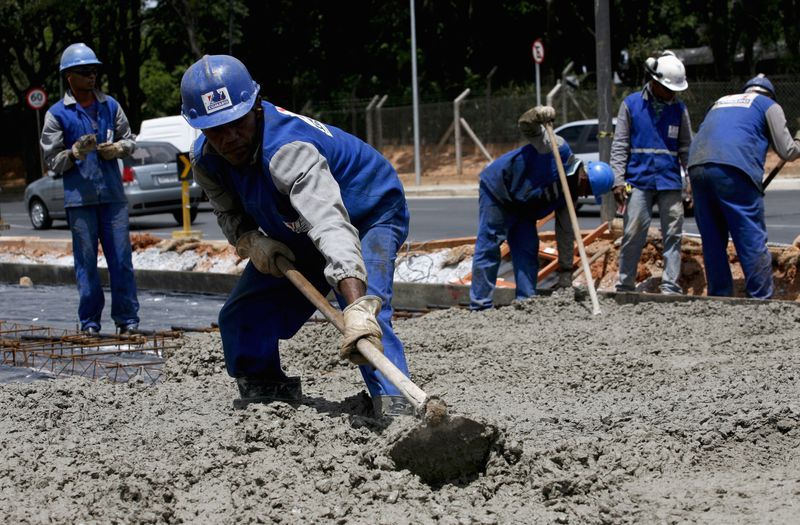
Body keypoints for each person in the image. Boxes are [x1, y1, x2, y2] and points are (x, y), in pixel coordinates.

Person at [180, 55, 412, 417]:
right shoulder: (208, 160)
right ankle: (265, 390)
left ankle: (398, 409)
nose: (229, 138)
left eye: (237, 124)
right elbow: (228, 212)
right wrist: (250, 241)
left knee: (367, 317)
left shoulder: (289, 151)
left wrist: (353, 305)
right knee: (242, 314)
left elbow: (330, 225)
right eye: (216, 130)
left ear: (256, 107)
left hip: (368, 213)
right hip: (296, 226)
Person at [469, 106, 614, 310]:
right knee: (490, 245)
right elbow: (527, 126)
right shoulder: (557, 148)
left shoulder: (569, 196)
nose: (584, 195)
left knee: (528, 249)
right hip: (500, 190)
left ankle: (526, 302)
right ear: (584, 176)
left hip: (524, 208)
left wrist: (565, 273)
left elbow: (565, 233)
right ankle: (480, 305)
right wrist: (536, 115)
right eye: (586, 189)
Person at [40, 43, 139, 335]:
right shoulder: (57, 114)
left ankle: (127, 319)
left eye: (94, 71)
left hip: (112, 197)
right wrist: (73, 154)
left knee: (121, 260)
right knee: (86, 265)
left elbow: (130, 140)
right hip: (80, 200)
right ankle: (90, 322)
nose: (91, 77)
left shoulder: (110, 106)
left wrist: (118, 148)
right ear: (69, 77)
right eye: (85, 72)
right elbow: (52, 160)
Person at [687, 75, 800, 299]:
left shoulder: (720, 101)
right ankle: (760, 297)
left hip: (697, 166)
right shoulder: (769, 105)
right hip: (734, 168)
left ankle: (720, 296)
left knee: (712, 238)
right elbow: (788, 151)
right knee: (750, 236)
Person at [611, 50, 693, 295]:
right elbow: (620, 145)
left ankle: (670, 285)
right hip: (638, 180)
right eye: (669, 89)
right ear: (655, 82)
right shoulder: (631, 105)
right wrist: (617, 180)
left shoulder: (679, 110)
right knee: (633, 233)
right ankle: (625, 285)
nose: (673, 94)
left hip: (669, 181)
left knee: (673, 234)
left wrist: (690, 181)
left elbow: (686, 147)